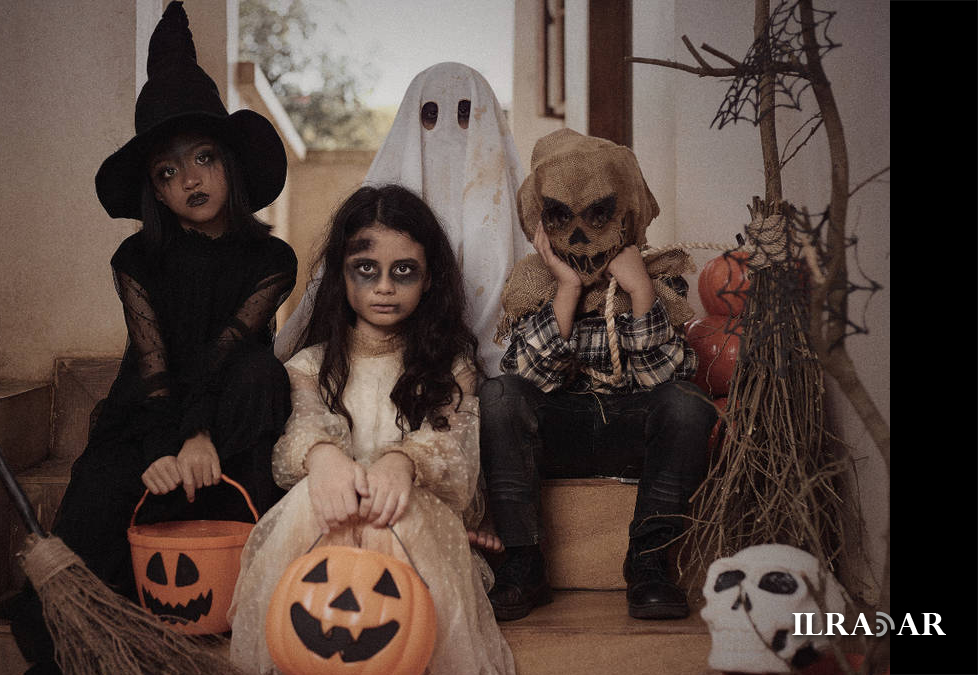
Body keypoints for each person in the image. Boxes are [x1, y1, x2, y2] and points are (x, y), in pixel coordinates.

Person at [3, 4, 295, 673]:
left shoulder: (272, 262)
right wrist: (166, 447)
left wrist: (200, 439)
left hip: (229, 411)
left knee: (259, 370)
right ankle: (86, 632)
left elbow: (222, 354)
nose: (189, 179)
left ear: (229, 165)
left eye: (202, 159)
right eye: (167, 172)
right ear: (155, 195)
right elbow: (157, 367)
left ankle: (246, 568)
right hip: (150, 414)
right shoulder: (136, 262)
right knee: (104, 484)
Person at [228, 184, 516, 675]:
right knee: (317, 506)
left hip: (411, 517)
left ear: (429, 280)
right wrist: (323, 459)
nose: (384, 286)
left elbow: (454, 448)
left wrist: (402, 462)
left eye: (403, 271)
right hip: (330, 511)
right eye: (367, 270)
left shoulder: (452, 366)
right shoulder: (308, 366)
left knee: (392, 519)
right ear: (341, 275)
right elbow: (302, 430)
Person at [480, 129, 716, 622]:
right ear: (540, 221)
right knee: (500, 395)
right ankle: (524, 562)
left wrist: (642, 293)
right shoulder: (531, 284)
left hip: (630, 432)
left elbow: (667, 379)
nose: (581, 235)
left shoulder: (660, 276)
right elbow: (526, 375)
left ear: (626, 214)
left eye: (599, 214)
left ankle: (650, 561)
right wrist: (566, 288)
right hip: (556, 433)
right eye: (561, 216)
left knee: (688, 405)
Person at [275, 62, 530, 377]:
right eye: (431, 115)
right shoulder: (381, 212)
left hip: (498, 372)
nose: (449, 129)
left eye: (466, 113)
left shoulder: (525, 218)